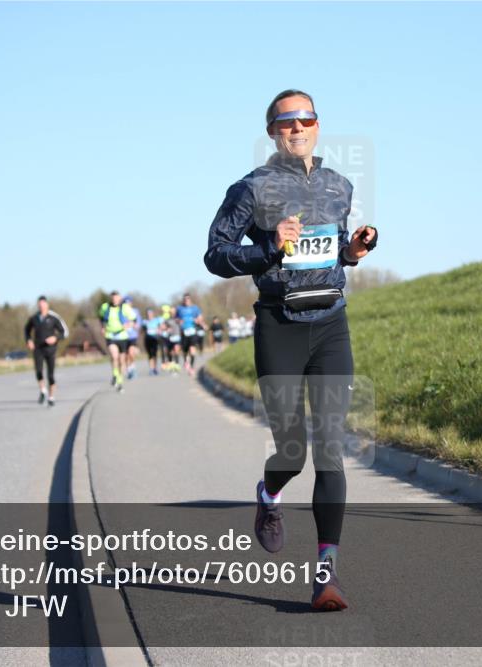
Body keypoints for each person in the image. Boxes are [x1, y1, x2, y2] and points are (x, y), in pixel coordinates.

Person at [204, 89, 377, 611]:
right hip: (279, 324)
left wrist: (353, 250)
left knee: (329, 448)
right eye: (285, 122)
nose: (296, 127)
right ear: (273, 133)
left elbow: (335, 253)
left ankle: (326, 574)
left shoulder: (338, 185)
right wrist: (268, 247)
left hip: (330, 325)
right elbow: (215, 254)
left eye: (305, 119)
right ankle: (269, 496)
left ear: (318, 126)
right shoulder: (250, 190)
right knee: (292, 450)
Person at [23, 296, 69, 407]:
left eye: (43, 304)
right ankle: (43, 390)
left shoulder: (54, 317)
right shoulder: (34, 318)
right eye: (39, 305)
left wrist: (55, 338)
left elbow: (65, 332)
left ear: (47, 305)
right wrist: (29, 341)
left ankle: (51, 397)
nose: (41, 306)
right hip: (38, 348)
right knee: (38, 371)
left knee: (50, 375)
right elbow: (26, 330)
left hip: (50, 349)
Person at [97, 291, 133, 392]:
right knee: (114, 356)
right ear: (111, 298)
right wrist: (102, 327)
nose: (115, 300)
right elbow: (100, 317)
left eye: (117, 298)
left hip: (122, 335)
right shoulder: (105, 307)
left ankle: (120, 381)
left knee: (121, 360)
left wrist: (129, 325)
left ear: (120, 298)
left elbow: (133, 319)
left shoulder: (125, 307)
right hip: (110, 334)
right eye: (113, 298)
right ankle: (115, 374)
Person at [175, 293, 204, 377]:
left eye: (188, 299)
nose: (186, 301)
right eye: (185, 299)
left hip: (193, 331)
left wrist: (197, 320)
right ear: (183, 300)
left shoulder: (195, 308)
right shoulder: (179, 308)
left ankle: (191, 367)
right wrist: (179, 321)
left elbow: (200, 318)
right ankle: (186, 361)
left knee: (192, 349)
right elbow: (176, 318)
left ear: (190, 300)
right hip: (183, 332)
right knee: (185, 350)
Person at [123, 296, 141, 380]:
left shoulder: (135, 311)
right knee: (126, 355)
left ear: (131, 303)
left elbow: (138, 324)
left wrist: (134, 325)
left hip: (132, 336)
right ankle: (129, 370)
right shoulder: (122, 312)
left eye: (129, 303)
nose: (127, 304)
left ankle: (132, 368)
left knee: (131, 353)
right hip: (123, 336)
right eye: (126, 303)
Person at [142, 307, 164, 376]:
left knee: (154, 354)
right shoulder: (144, 321)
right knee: (150, 354)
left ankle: (154, 368)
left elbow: (162, 327)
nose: (149, 315)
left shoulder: (157, 320)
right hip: (147, 339)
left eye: (150, 313)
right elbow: (142, 331)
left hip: (155, 339)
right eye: (148, 314)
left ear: (153, 314)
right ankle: (151, 369)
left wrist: (160, 329)